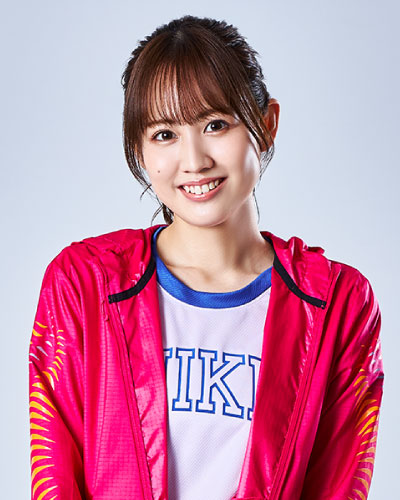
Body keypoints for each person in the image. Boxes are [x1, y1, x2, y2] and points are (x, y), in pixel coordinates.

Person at [28, 14, 384, 500]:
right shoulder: (84, 284)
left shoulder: (337, 304)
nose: (194, 160)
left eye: (215, 124)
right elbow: (55, 476)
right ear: (139, 149)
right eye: (164, 134)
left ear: (266, 124)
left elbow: (338, 485)